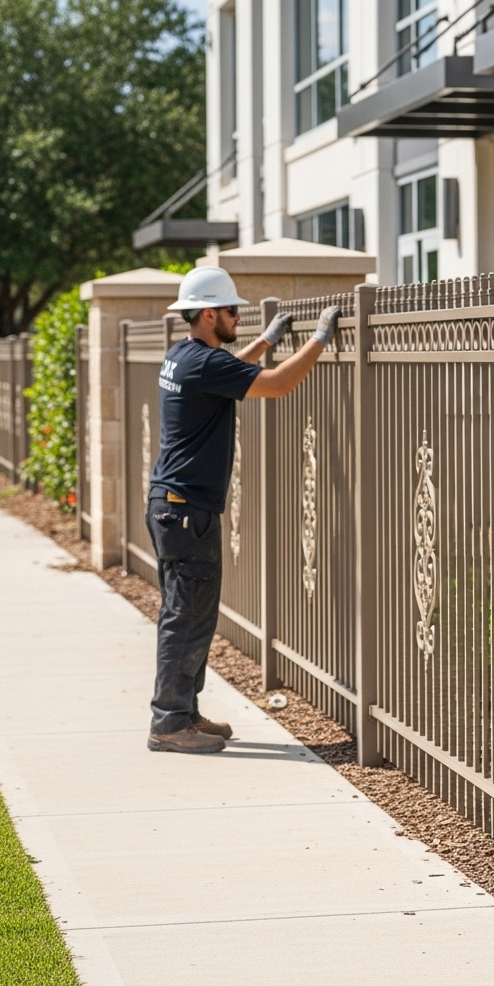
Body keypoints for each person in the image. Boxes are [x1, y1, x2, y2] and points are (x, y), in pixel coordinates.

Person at [146, 266, 340, 755]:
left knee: (193, 613)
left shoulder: (185, 355)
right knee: (184, 615)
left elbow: (234, 369)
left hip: (177, 507)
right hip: (185, 510)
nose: (240, 318)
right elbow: (273, 386)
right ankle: (169, 722)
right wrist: (318, 340)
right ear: (210, 313)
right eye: (233, 311)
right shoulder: (203, 364)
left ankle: (184, 712)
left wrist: (266, 343)